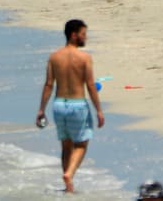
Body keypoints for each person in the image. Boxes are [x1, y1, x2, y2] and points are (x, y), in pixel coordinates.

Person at [36, 18, 104, 194]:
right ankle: (69, 174)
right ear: (74, 35)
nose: (85, 38)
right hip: (77, 105)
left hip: (59, 105)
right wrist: (99, 110)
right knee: (81, 145)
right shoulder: (84, 57)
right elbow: (89, 85)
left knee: (66, 146)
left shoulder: (54, 57)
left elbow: (49, 84)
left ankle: (68, 187)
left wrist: (41, 110)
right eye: (83, 35)